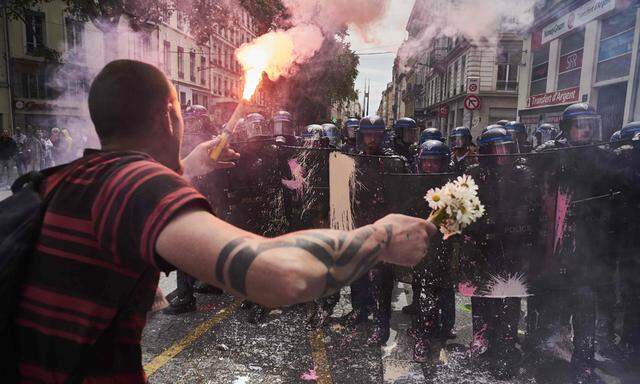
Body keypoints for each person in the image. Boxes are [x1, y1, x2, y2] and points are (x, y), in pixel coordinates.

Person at [9, 60, 435, 382]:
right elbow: (276, 275)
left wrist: (187, 167)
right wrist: (380, 237)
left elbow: (123, 210)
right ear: (168, 116)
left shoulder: (70, 177)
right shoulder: (137, 182)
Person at [531, 103, 614, 384]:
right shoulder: (553, 153)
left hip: (589, 247)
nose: (586, 129)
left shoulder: (601, 156)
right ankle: (551, 357)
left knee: (585, 308)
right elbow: (532, 167)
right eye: (580, 124)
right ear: (567, 128)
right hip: (557, 245)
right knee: (553, 307)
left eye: (589, 124)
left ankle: (584, 364)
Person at [463, 127, 537, 379]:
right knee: (482, 297)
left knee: (510, 299)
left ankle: (505, 346)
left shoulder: (523, 174)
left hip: (513, 244)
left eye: (506, 148)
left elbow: (532, 208)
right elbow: (463, 209)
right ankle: (482, 339)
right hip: (483, 245)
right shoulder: (473, 174)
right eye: (496, 149)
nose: (502, 154)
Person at [410, 140, 457, 362]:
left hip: (444, 246)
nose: (429, 167)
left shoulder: (452, 188)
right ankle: (423, 337)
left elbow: (455, 222)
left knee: (444, 291)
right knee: (423, 293)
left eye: (434, 162)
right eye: (426, 162)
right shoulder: (415, 184)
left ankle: (443, 328)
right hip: (422, 248)